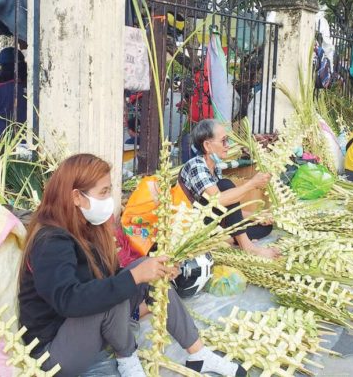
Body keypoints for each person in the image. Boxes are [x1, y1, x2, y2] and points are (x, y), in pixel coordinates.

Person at [18, 154, 246, 377]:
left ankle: (198, 353)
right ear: (77, 197)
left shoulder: (85, 228)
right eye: (103, 192)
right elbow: (69, 300)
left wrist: (150, 273)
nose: (109, 199)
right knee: (115, 291)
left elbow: (111, 278)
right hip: (53, 352)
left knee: (148, 268)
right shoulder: (51, 241)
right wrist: (133, 278)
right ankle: (127, 359)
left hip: (82, 329)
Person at [178, 119, 278, 259]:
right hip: (192, 227)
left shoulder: (215, 167)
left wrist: (255, 216)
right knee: (226, 186)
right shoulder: (196, 166)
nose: (227, 146)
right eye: (224, 141)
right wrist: (252, 184)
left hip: (213, 222)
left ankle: (223, 240)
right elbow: (218, 201)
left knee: (264, 227)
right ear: (207, 145)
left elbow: (229, 209)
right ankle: (247, 247)